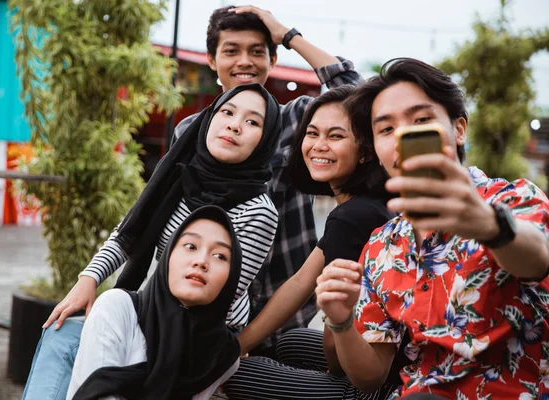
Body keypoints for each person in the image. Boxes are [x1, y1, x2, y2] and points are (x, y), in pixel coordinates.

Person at [23, 83, 280, 399]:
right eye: (227, 112)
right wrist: (88, 279)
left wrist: (134, 319)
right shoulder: (177, 175)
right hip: (156, 306)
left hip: (207, 328)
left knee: (102, 333)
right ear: (210, 118)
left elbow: (219, 291)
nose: (235, 124)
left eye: (253, 122)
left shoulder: (259, 210)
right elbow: (130, 231)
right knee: (61, 333)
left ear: (265, 141)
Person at [315, 58, 549, 399]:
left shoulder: (511, 198)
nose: (403, 138)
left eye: (421, 121)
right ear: (376, 150)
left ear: (458, 129)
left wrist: (490, 225)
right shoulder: (382, 245)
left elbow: (537, 257)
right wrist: (340, 321)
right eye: (386, 129)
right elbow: (371, 377)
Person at [172, 6, 362, 356]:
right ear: (212, 61)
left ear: (272, 59)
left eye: (257, 51)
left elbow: (354, 91)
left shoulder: (295, 120)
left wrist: (286, 34)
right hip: (209, 307)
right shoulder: (190, 131)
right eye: (231, 51)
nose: (245, 61)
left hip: (285, 301)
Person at [223, 86, 400, 400]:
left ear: (366, 151)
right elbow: (301, 281)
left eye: (335, 136)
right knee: (290, 341)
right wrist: (237, 346)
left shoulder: (351, 218)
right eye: (312, 133)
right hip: (397, 359)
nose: (319, 146)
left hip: (377, 386)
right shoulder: (368, 204)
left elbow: (333, 350)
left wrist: (226, 361)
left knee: (238, 375)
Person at [67, 205, 242, 400]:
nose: (201, 261)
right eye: (191, 246)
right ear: (168, 256)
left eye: (220, 256)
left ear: (232, 276)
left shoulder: (223, 356)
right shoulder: (117, 307)